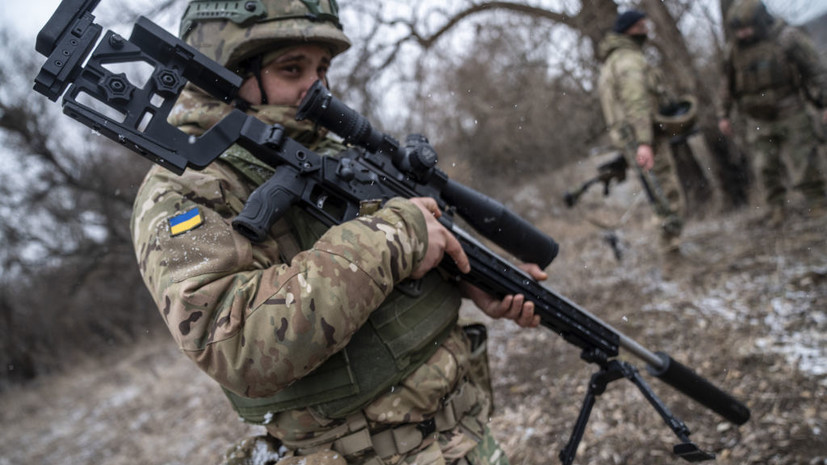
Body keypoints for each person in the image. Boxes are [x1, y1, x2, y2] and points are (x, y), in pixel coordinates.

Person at [129, 1, 547, 464]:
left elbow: (393, 268)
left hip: (464, 439)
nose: (316, 88)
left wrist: (470, 279)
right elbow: (236, 344)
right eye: (292, 68)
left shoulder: (325, 147)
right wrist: (397, 235)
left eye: (322, 68)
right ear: (222, 73)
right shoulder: (184, 188)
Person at [718, 0, 827, 226]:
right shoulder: (734, 50)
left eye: (747, 27)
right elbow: (727, 85)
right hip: (756, 117)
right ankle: (776, 208)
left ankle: (817, 203)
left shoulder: (786, 38)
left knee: (804, 159)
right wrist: (723, 115)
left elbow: (815, 70)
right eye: (738, 30)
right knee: (764, 166)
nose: (743, 33)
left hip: (790, 109)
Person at [596, 10, 687, 255]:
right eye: (642, 26)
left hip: (634, 139)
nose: (647, 30)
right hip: (644, 140)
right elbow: (636, 103)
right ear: (631, 29)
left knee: (659, 195)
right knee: (666, 196)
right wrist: (644, 142)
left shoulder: (612, 61)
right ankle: (672, 255)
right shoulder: (628, 61)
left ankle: (672, 250)